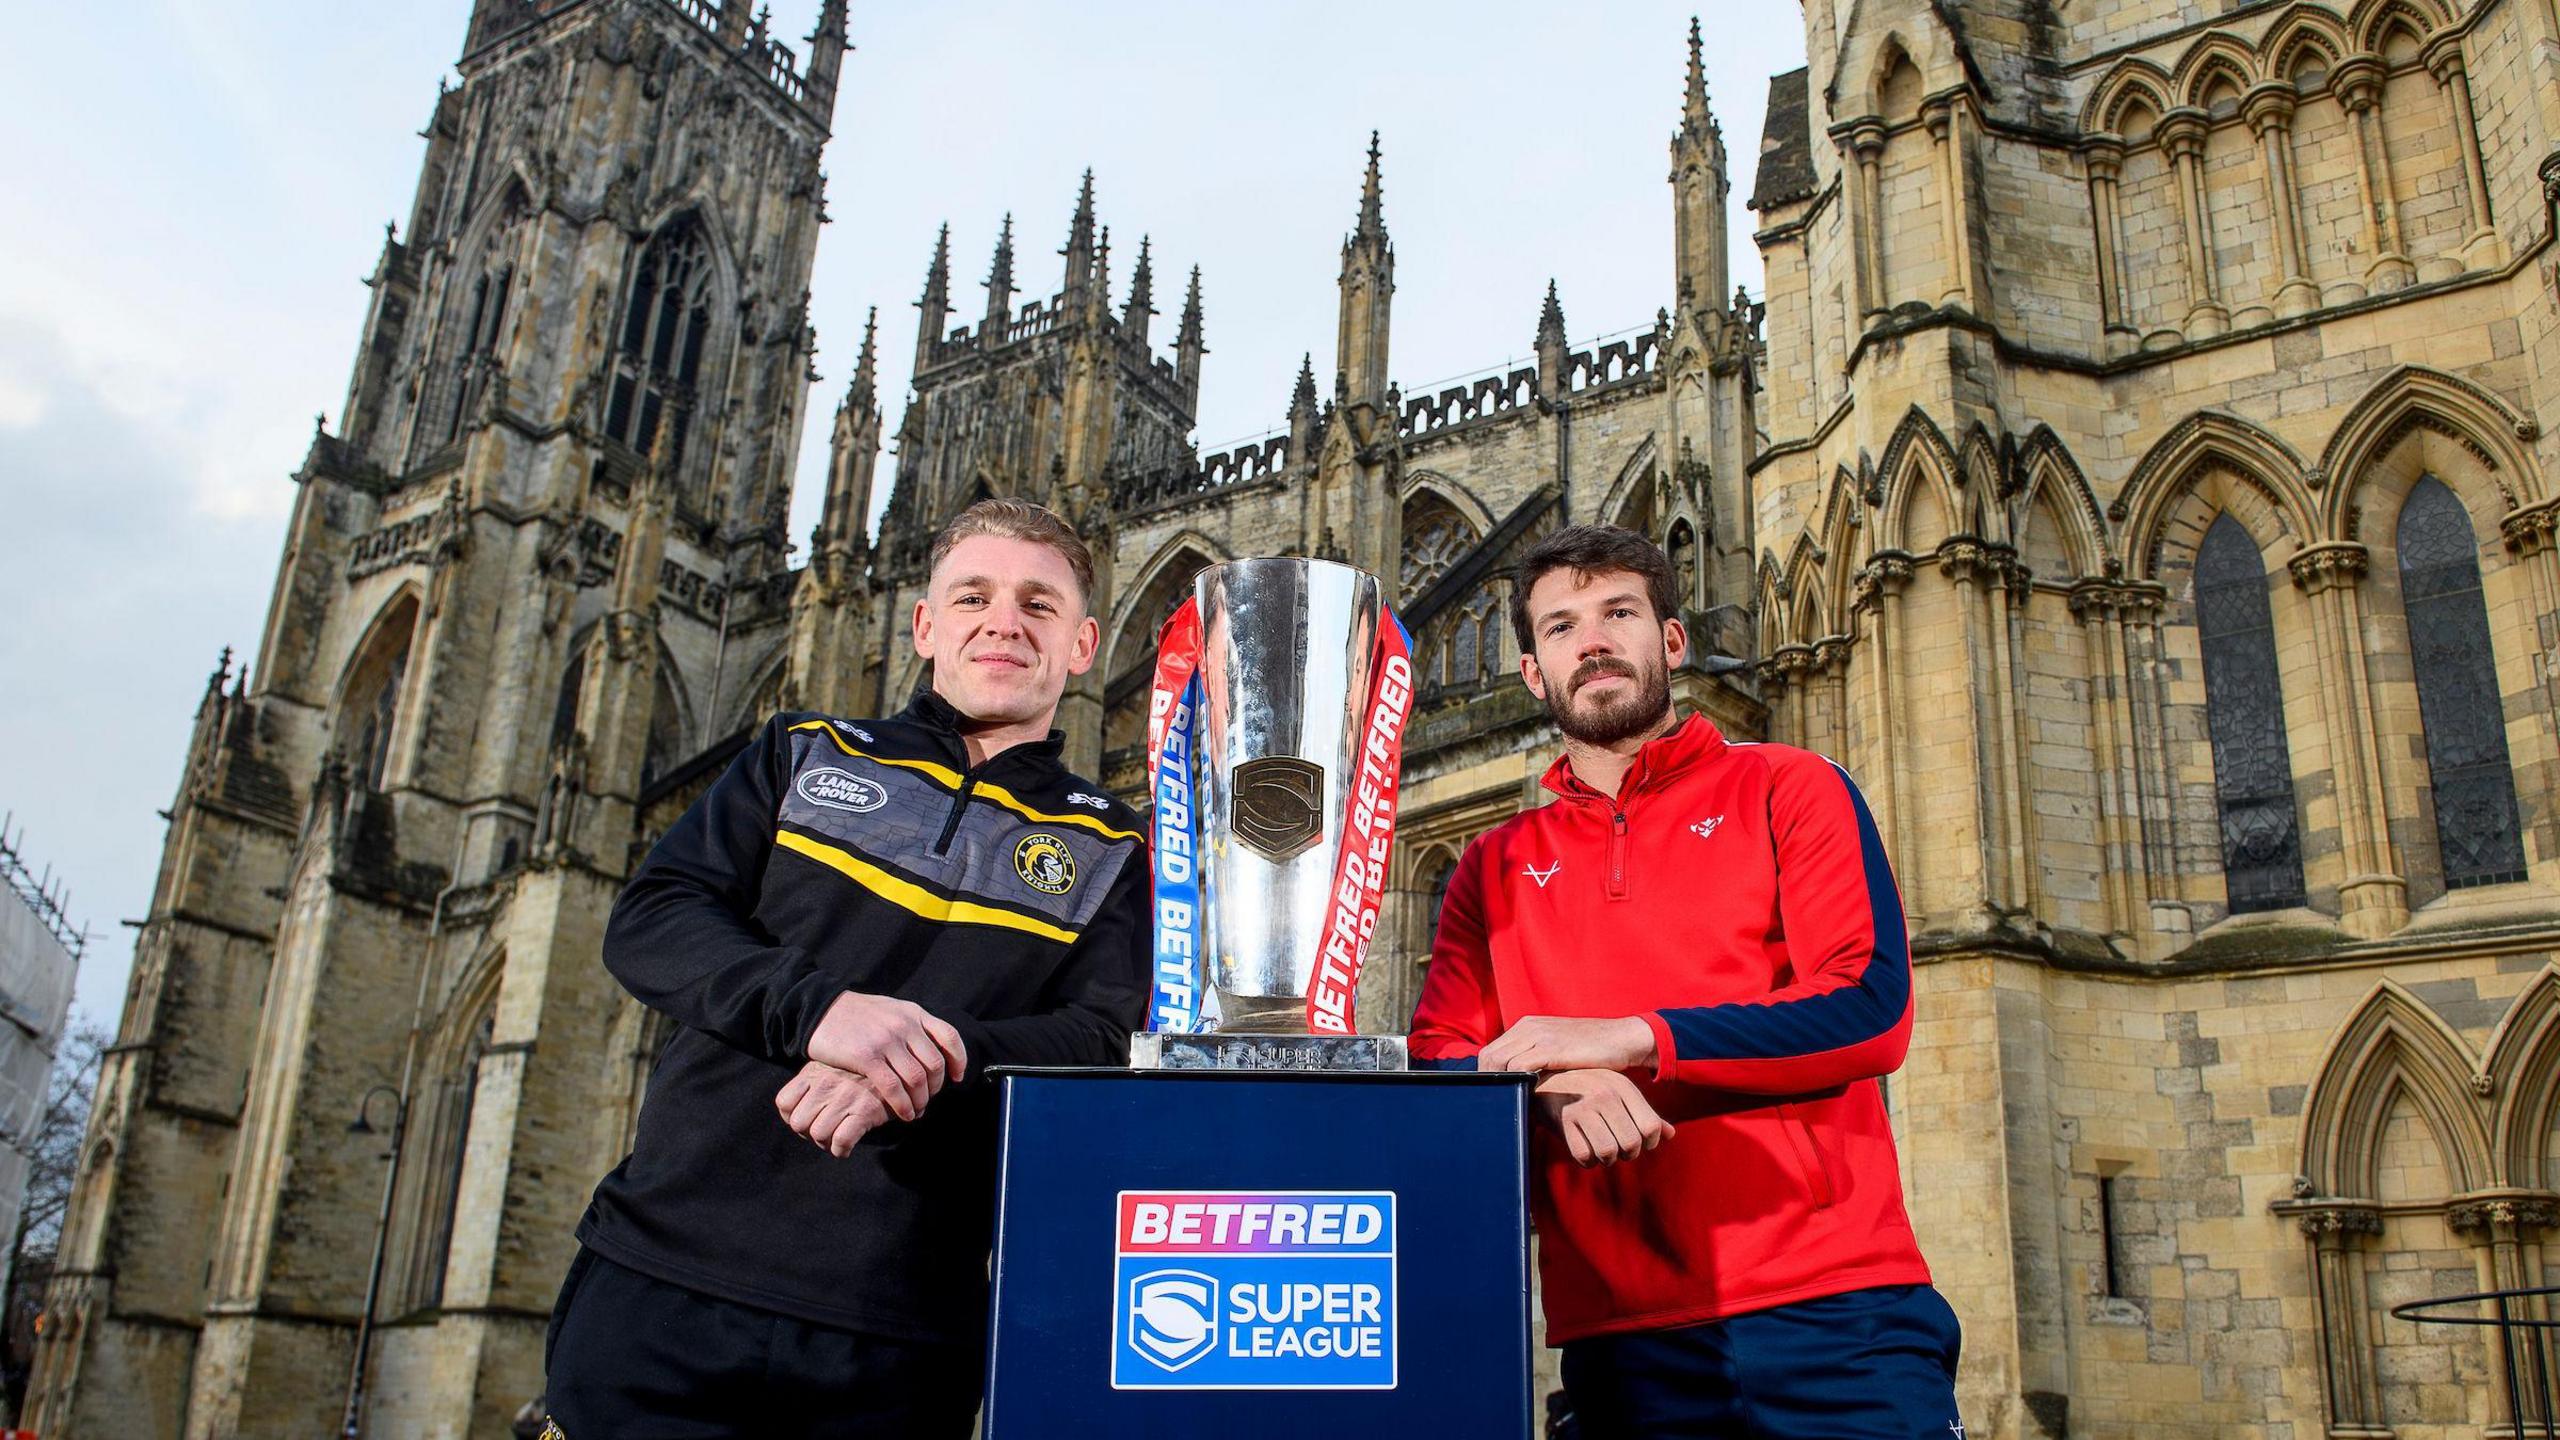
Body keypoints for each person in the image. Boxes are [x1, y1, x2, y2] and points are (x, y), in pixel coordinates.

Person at [543, 499, 1152, 1439]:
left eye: (1039, 604)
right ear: (924, 626)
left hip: (899, 1326)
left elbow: (1103, 1041)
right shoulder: (799, 752)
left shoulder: (1118, 847)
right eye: (974, 597)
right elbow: (654, 918)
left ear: (1083, 645)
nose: (1004, 622)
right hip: (664, 1278)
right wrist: (822, 1014)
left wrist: (917, 1061)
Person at [1409, 524, 1962, 1440]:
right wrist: (1548, 1090)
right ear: (1533, 673)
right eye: (1562, 626)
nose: (1593, 641)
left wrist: (1630, 1040)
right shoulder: (1491, 866)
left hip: (1839, 1310)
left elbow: (1869, 1009)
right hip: (1620, 1341)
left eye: (1619, 613)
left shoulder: (1789, 784)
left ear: (1671, 640)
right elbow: (1437, 1067)